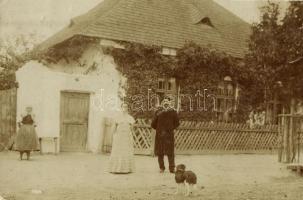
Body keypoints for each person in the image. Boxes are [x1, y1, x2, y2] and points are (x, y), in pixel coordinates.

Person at [151, 98, 180, 173]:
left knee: (170, 152)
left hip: (169, 136)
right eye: (164, 101)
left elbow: (177, 123)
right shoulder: (158, 112)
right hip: (160, 135)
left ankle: (171, 168)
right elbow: (153, 124)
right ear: (162, 103)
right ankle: (162, 168)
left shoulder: (173, 112)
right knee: (160, 152)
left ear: (169, 103)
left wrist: (170, 129)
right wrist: (159, 129)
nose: (166, 103)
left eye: (167, 102)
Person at [108, 103, 135, 174]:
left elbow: (132, 129)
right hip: (119, 136)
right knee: (118, 151)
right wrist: (113, 136)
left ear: (128, 108)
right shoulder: (117, 117)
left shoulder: (130, 118)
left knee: (126, 151)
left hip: (126, 137)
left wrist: (131, 137)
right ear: (121, 108)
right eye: (123, 107)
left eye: (126, 107)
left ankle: (126, 169)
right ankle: (116, 169)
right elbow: (113, 128)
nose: (124, 108)